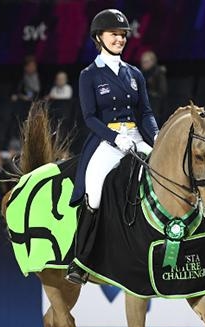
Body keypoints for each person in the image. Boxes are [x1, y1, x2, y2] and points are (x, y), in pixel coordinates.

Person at [67, 9, 159, 285]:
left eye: (122, 35)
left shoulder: (134, 73)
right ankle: (80, 260)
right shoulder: (89, 75)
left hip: (136, 138)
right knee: (93, 191)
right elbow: (89, 118)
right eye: (114, 35)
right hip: (107, 142)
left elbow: (146, 112)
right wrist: (114, 137)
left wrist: (156, 139)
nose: (119, 39)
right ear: (99, 37)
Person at [139, 50, 167, 120]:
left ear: (153, 62)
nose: (144, 64)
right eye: (143, 62)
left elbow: (162, 91)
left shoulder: (158, 73)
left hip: (154, 103)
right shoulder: (139, 73)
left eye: (146, 62)